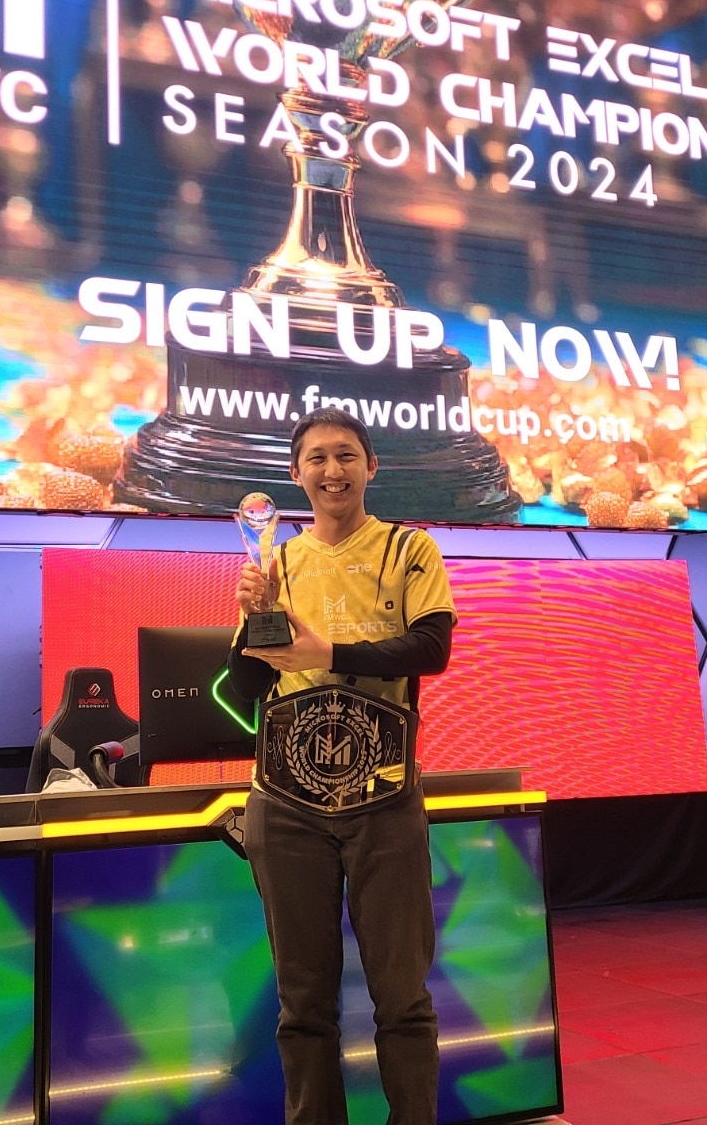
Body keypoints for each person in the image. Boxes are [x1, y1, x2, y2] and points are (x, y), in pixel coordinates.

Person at [229, 406, 456, 1125]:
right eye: (317, 458)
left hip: (384, 795)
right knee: (302, 1003)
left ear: (371, 468)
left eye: (346, 455)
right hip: (286, 799)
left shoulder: (409, 550)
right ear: (296, 474)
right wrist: (250, 625)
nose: (332, 470)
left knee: (403, 998)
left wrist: (327, 654)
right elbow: (245, 690)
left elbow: (431, 650)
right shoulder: (277, 561)